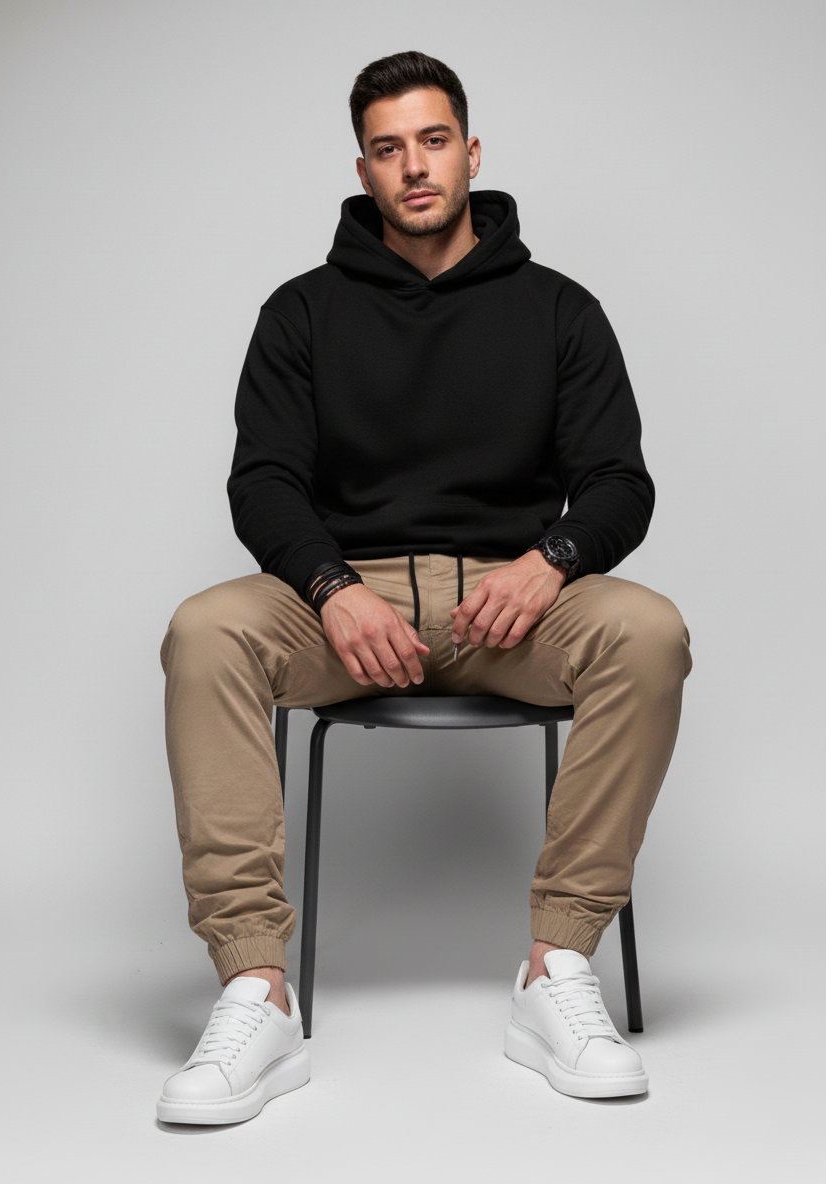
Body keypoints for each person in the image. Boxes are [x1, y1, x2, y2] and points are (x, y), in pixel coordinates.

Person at [156, 50, 692, 1125]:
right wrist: (332, 586)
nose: (414, 166)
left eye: (433, 140)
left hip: (511, 605)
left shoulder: (559, 310)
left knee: (648, 632)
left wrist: (551, 561)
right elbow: (263, 483)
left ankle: (556, 965)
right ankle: (257, 990)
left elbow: (618, 483)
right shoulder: (302, 312)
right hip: (347, 603)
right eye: (389, 148)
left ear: (471, 152)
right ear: (363, 170)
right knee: (205, 629)